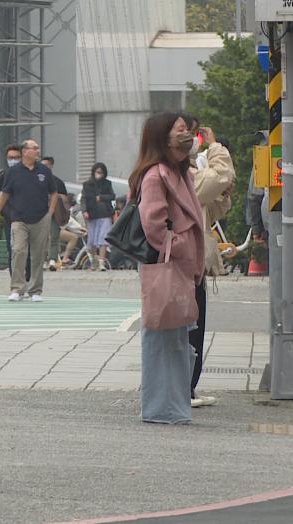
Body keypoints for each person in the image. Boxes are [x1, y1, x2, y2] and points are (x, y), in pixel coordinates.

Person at [129, 111, 204, 424]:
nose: (187, 135)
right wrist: (177, 245)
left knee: (177, 337)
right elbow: (153, 223)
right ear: (163, 137)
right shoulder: (155, 175)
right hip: (168, 264)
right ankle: (162, 407)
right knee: (162, 334)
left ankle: (174, 405)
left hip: (184, 266)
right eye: (181, 130)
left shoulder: (180, 171)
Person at [188, 119, 236, 408]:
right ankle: (184, 387)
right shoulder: (180, 173)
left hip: (194, 261)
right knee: (190, 327)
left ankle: (188, 387)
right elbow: (221, 174)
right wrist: (216, 146)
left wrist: (224, 197)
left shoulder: (188, 171)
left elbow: (209, 209)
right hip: (186, 262)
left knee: (195, 326)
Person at [0, 139, 56, 302]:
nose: (37, 150)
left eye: (37, 148)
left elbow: (53, 192)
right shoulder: (13, 172)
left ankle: (35, 290)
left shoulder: (44, 171)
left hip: (40, 218)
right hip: (18, 219)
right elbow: (4, 194)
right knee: (18, 251)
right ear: (25, 151)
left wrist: (50, 212)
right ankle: (17, 288)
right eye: (34, 148)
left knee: (37, 255)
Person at [0, 144, 26, 277]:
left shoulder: (29, 174)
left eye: (16, 157)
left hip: (29, 219)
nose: (13, 160)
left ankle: (28, 279)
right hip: (11, 220)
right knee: (12, 250)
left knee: (27, 252)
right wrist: (4, 215)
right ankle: (15, 281)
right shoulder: (3, 175)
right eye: (10, 157)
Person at [81, 162, 115, 271]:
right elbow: (84, 198)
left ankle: (101, 263)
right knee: (91, 241)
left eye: (101, 172)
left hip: (105, 214)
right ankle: (94, 262)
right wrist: (84, 210)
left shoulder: (107, 184)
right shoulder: (87, 184)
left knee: (103, 239)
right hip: (92, 215)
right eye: (97, 172)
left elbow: (112, 195)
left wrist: (102, 198)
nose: (99, 174)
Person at [41, 156, 69, 271]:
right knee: (41, 237)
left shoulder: (57, 182)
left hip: (54, 213)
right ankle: (42, 260)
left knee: (54, 236)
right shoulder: (38, 179)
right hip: (40, 213)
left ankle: (52, 260)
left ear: (51, 166)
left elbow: (65, 199)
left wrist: (55, 198)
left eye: (46, 165)